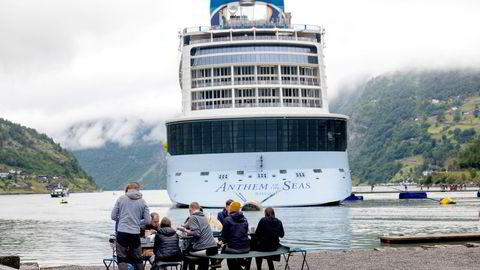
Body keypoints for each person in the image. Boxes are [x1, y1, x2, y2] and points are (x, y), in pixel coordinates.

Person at [111, 182, 151, 270]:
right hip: (135, 233)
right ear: (138, 189)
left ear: (128, 189)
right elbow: (148, 221)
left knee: (122, 257)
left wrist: (122, 220)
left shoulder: (121, 199)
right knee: (137, 257)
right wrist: (136, 221)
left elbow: (113, 216)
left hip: (122, 232)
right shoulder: (142, 201)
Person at [179, 202, 218, 270]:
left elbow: (197, 233)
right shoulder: (203, 216)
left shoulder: (193, 217)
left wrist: (184, 230)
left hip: (206, 250)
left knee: (187, 253)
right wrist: (183, 226)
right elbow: (188, 224)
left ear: (190, 210)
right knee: (203, 260)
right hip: (214, 248)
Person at [220, 201, 250, 270]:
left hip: (234, 249)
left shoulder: (227, 219)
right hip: (246, 248)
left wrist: (220, 242)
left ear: (231, 209)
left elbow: (224, 236)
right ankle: (240, 263)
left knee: (227, 251)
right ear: (238, 209)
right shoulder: (245, 219)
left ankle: (217, 263)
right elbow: (245, 232)